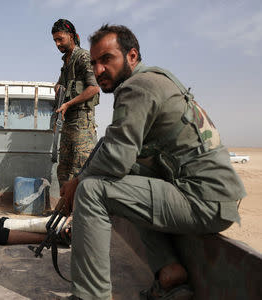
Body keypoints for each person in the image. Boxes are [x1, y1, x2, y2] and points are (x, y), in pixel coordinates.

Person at [60, 25, 246, 300]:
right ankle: (170, 272)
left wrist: (78, 181)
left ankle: (90, 295)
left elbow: (115, 159)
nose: (98, 70)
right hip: (214, 196)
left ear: (132, 56)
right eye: (95, 62)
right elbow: (123, 153)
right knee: (128, 181)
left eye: (107, 59)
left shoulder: (137, 87)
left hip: (204, 199)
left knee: (92, 191)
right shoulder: (156, 79)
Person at [51, 19, 100, 188]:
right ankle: (66, 209)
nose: (57, 44)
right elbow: (59, 84)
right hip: (68, 122)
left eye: (60, 39)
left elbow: (94, 88)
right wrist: (57, 87)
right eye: (55, 41)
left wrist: (68, 103)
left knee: (79, 169)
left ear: (71, 36)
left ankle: (78, 212)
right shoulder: (66, 62)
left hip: (82, 124)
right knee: (63, 169)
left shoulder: (83, 57)